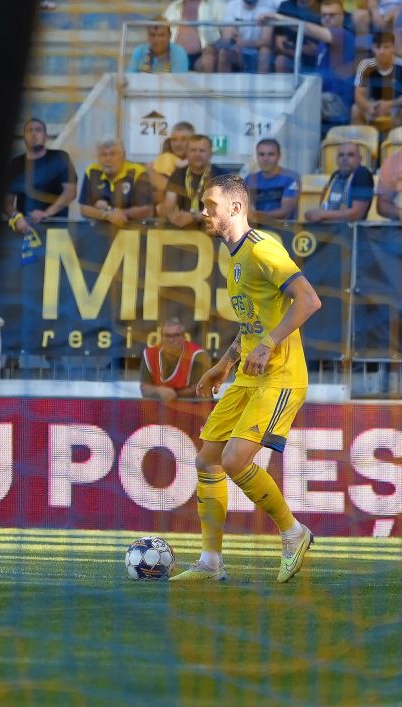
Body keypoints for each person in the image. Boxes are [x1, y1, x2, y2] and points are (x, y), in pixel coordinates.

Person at [172, 172, 321, 584]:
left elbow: (309, 300)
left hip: (280, 377)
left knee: (235, 460)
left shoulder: (262, 248)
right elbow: (253, 323)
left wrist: (269, 345)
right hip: (249, 376)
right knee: (207, 459)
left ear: (235, 208)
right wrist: (224, 363)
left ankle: (294, 533)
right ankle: (210, 563)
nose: (204, 212)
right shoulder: (234, 256)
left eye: (211, 205)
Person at [3, 117, 76, 232]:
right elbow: (7, 201)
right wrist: (16, 217)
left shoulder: (60, 157)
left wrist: (46, 213)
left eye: (38, 130)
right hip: (26, 229)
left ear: (45, 136)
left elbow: (70, 192)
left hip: (57, 228)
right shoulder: (16, 163)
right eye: (29, 130)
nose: (33, 134)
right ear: (24, 136)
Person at [78, 137, 155, 226]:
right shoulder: (92, 171)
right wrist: (106, 215)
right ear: (98, 158)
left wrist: (113, 212)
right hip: (99, 229)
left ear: (123, 156)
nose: (108, 159)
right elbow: (84, 209)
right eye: (103, 155)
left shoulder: (138, 172)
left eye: (113, 154)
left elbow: (147, 210)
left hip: (132, 228)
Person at [140, 317, 207, 402]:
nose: (171, 340)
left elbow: (199, 389)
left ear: (183, 336)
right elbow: (145, 388)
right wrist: (159, 391)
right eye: (167, 336)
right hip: (159, 406)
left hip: (191, 406)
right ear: (161, 337)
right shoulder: (149, 354)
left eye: (176, 335)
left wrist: (172, 393)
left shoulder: (197, 354)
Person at [159, 133, 219, 227]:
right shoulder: (177, 173)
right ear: (186, 153)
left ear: (210, 154)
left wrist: (195, 217)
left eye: (202, 150)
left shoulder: (221, 175)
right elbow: (169, 202)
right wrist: (170, 214)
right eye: (193, 150)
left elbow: (224, 209)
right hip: (183, 229)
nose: (197, 154)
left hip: (212, 231)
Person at [305, 141, 373, 221]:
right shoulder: (335, 175)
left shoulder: (362, 174)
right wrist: (317, 214)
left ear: (360, 159)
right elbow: (323, 206)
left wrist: (322, 215)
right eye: (341, 155)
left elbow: (357, 214)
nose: (345, 158)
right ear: (336, 159)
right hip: (331, 226)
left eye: (350, 155)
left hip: (352, 228)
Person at [353, 30, 402, 129]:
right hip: (374, 105)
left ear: (393, 48)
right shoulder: (365, 65)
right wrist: (369, 107)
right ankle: (361, 138)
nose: (381, 51)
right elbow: (358, 95)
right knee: (355, 109)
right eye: (378, 47)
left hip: (396, 105)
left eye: (386, 47)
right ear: (372, 48)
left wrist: (389, 104)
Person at [246, 137, 301, 223]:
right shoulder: (250, 179)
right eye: (261, 154)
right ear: (257, 156)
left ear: (279, 156)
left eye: (270, 154)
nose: (265, 158)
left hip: (285, 228)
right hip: (259, 227)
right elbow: (243, 209)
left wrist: (256, 215)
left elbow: (285, 213)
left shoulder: (291, 178)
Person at [162, 0, 225, 71]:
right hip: (174, 57)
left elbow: (227, 36)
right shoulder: (173, 7)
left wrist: (214, 48)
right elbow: (160, 31)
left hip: (202, 57)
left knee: (208, 61)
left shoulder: (217, 5)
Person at [217, 0, 275, 73]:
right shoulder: (232, 5)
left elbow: (266, 40)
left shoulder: (268, 6)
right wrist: (236, 45)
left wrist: (244, 43)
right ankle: (225, 80)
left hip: (257, 48)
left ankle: (262, 80)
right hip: (237, 46)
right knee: (224, 52)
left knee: (265, 52)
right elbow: (227, 34)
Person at [149, 120, 193, 199]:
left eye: (184, 139)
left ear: (193, 140)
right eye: (174, 139)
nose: (178, 144)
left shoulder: (198, 167)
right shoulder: (163, 160)